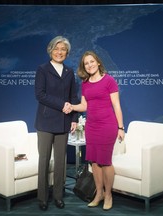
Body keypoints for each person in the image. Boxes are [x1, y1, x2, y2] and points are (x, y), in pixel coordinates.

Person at [63, 51, 125, 211]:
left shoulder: (109, 80)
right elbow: (84, 106)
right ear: (84, 67)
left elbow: (116, 105)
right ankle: (99, 194)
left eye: (92, 62)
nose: (89, 65)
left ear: (98, 63)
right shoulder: (85, 83)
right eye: (86, 63)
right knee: (94, 162)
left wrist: (121, 127)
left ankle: (109, 195)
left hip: (107, 125)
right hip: (91, 127)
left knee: (105, 162)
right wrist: (71, 106)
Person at [34, 36, 78, 211]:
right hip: (45, 122)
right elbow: (40, 95)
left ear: (67, 53)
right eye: (56, 49)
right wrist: (62, 105)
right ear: (50, 50)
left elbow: (73, 96)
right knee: (44, 160)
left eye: (63, 50)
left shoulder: (69, 71)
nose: (59, 52)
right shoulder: (42, 69)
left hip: (64, 122)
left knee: (61, 161)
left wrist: (74, 118)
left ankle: (58, 196)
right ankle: (42, 198)